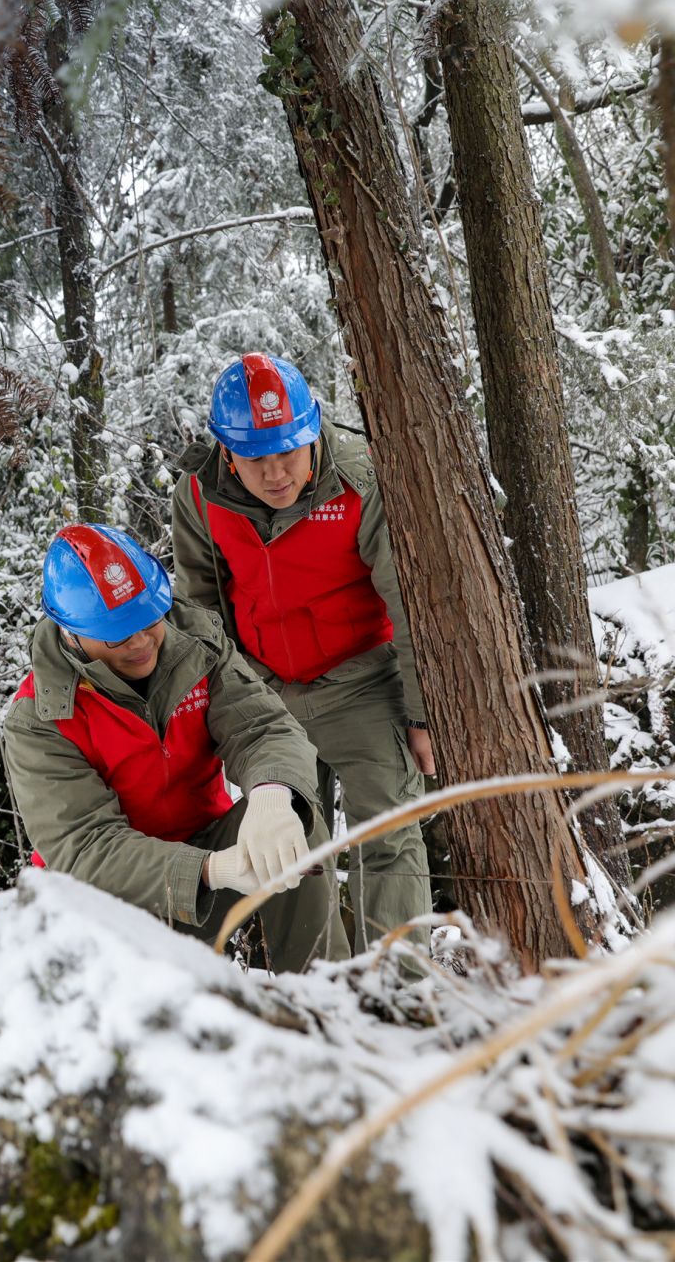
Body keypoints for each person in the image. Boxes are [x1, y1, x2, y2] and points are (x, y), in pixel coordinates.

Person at [0, 522, 348, 970]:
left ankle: (324, 999)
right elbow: (85, 848)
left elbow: (261, 726)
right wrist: (209, 870)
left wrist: (272, 796)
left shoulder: (195, 641)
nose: (143, 642)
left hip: (211, 848)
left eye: (149, 620)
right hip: (104, 907)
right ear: (71, 634)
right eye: (119, 635)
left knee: (295, 819)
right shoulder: (38, 718)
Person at [171, 352, 433, 946]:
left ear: (313, 430)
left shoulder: (360, 478)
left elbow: (409, 604)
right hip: (266, 696)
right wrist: (225, 710)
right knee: (290, 851)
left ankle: (399, 993)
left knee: (389, 837)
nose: (276, 473)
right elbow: (201, 607)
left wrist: (420, 716)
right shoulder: (198, 495)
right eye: (256, 458)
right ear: (226, 453)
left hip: (362, 682)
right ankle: (322, 998)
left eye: (289, 449)